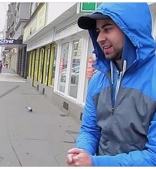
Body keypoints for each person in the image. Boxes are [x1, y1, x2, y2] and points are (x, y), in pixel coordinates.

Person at [67, 3, 156, 166]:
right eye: (98, 31)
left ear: (131, 30)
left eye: (107, 29)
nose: (100, 38)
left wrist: (96, 163)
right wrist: (81, 152)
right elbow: (90, 130)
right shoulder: (98, 79)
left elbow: (154, 156)